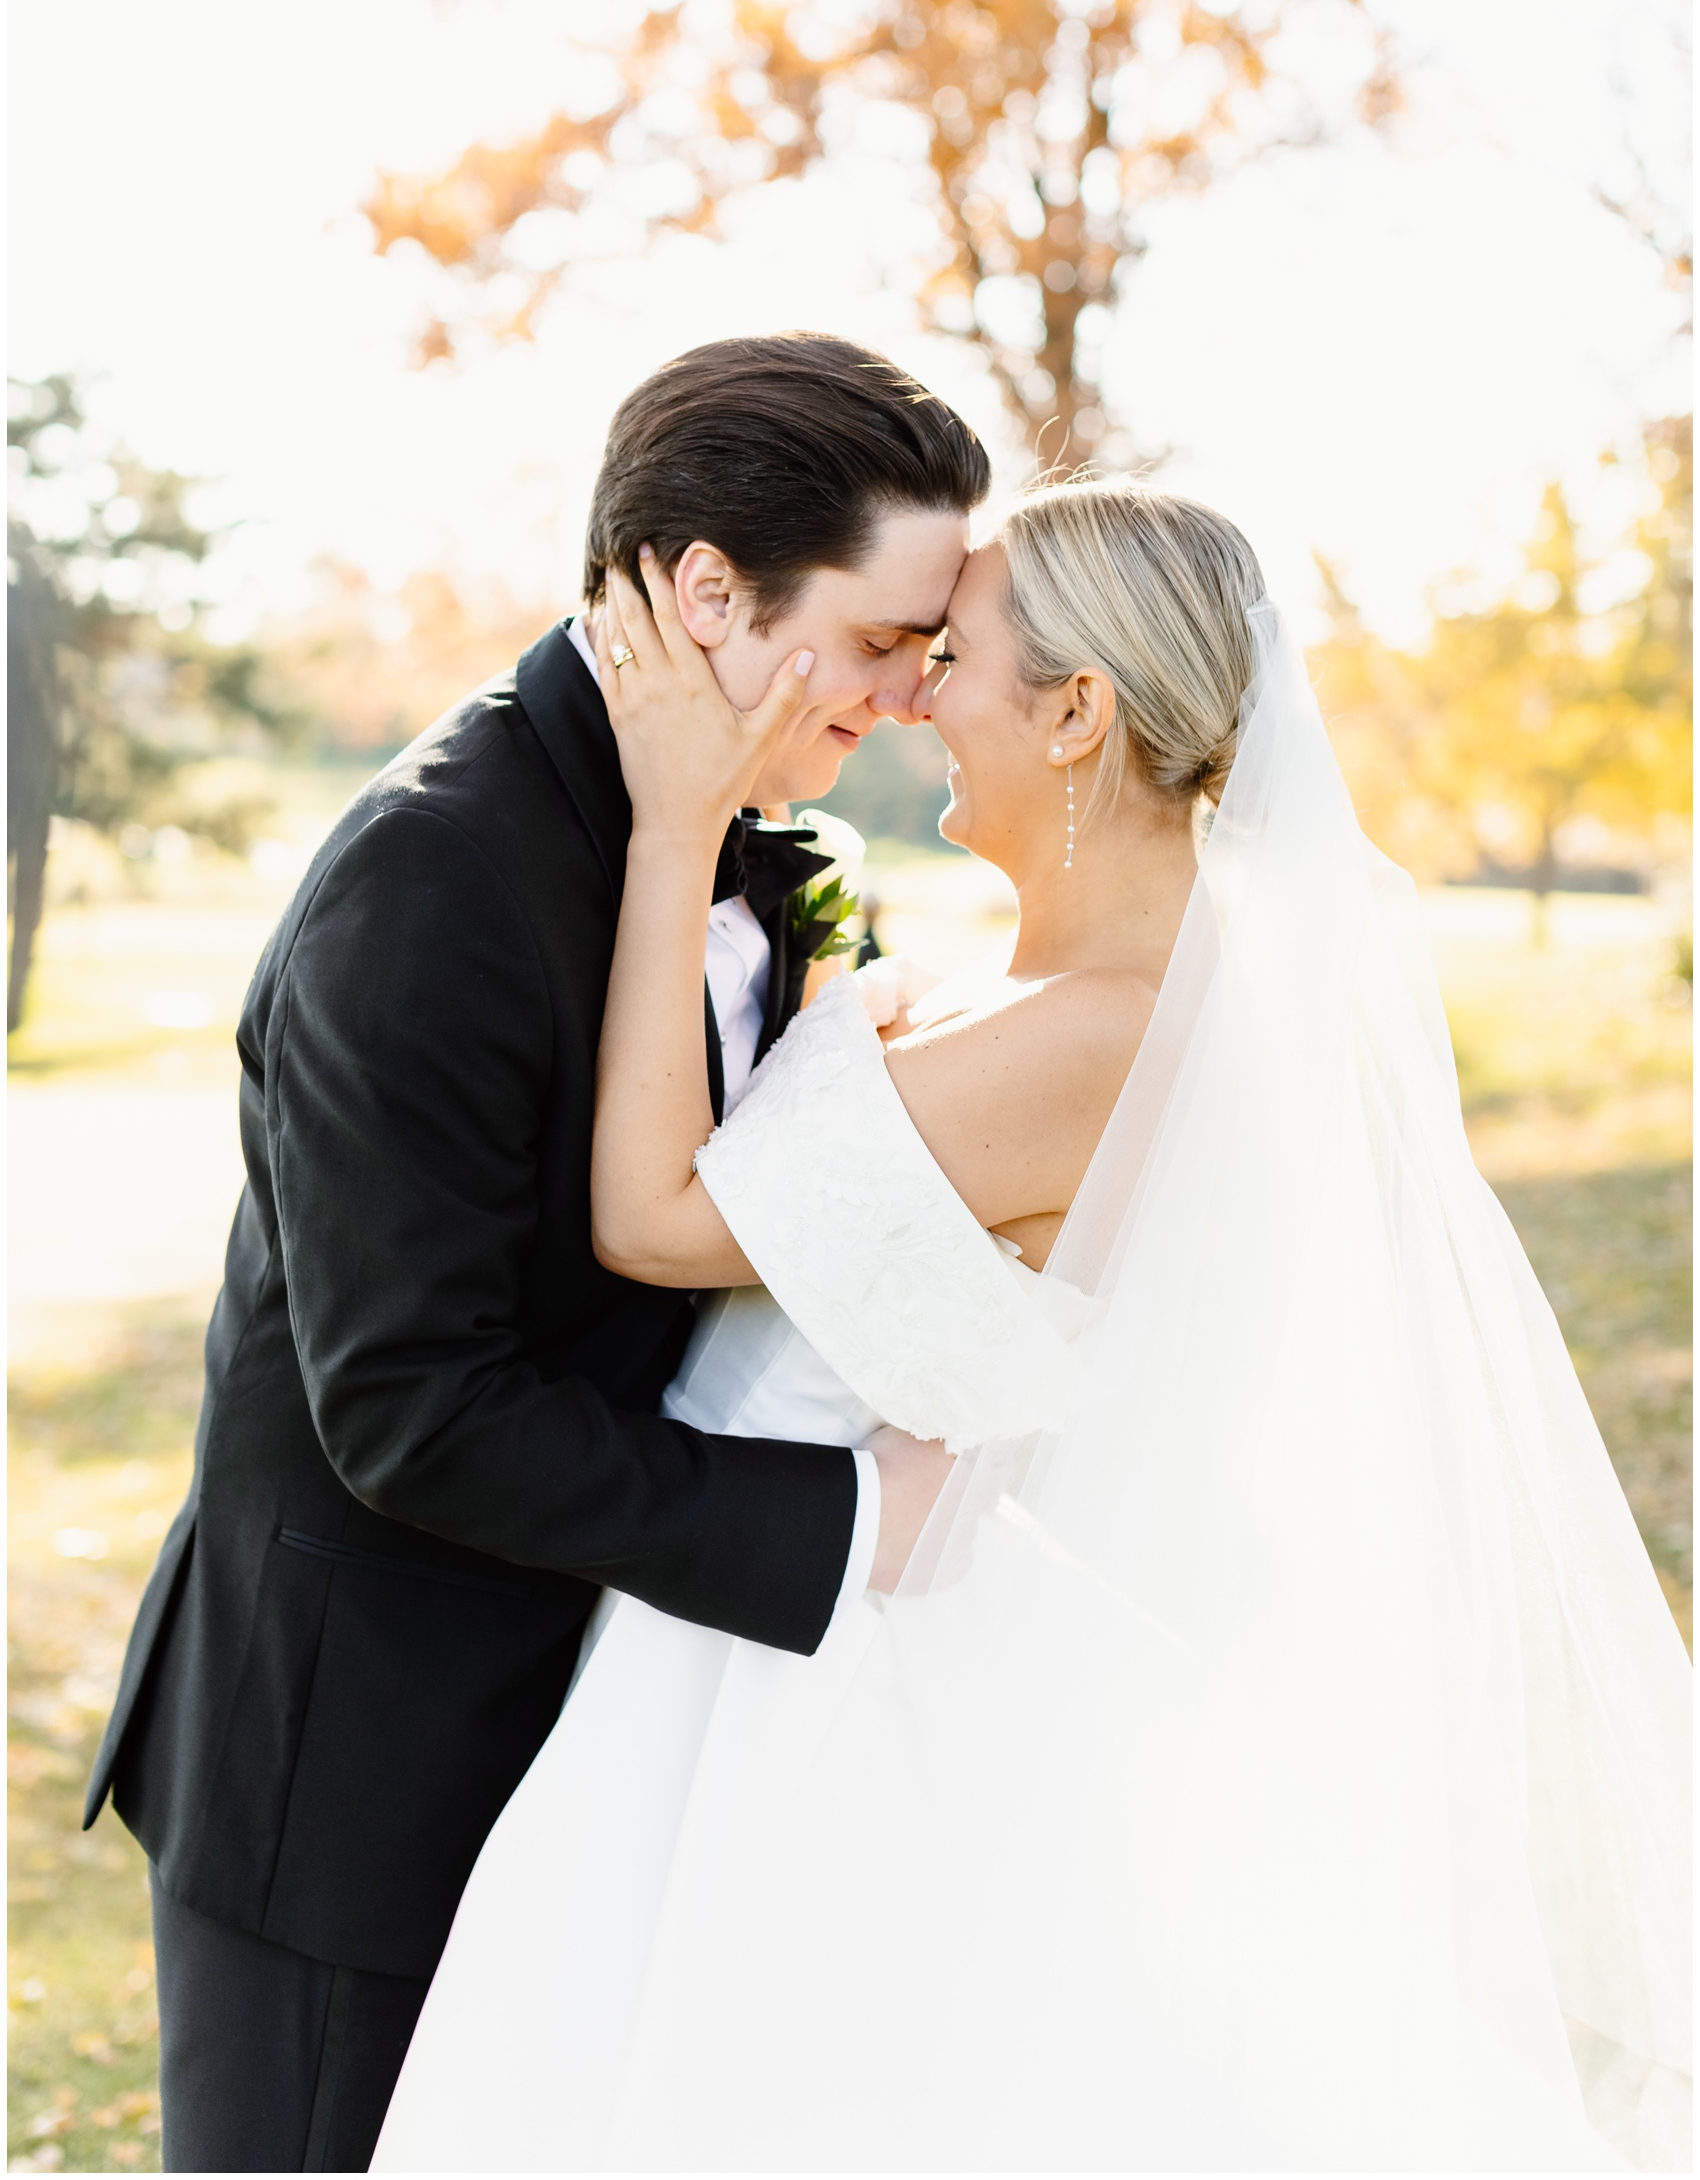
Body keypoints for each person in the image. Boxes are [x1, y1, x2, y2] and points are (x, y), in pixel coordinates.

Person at [375, 483, 1690, 2174]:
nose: (911, 693)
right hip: (770, 1614)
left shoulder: (1097, 1038)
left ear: (1079, 713)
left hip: (831, 1677)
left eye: (954, 656)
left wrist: (670, 825)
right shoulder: (1035, 994)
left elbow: (652, 1219)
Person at [83, 332, 989, 2174]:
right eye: (889, 636)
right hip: (362, 1771)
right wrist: (832, 1521)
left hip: (599, 1732)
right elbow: (410, 1408)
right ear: (709, 589)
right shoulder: (433, 881)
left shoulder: (742, 849)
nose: (913, 692)